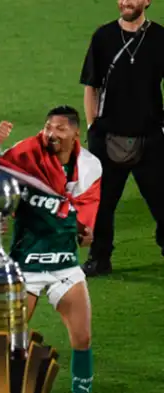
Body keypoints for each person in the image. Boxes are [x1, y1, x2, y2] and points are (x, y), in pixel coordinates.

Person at [0, 108, 102, 393]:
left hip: (63, 267)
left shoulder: (89, 167)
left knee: (83, 339)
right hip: (25, 266)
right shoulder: (25, 152)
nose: (51, 133)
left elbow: (85, 220)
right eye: (48, 127)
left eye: (59, 128)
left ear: (75, 134)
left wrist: (86, 233)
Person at [79, 0, 164, 276]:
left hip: (150, 137)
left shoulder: (160, 38)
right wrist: (93, 128)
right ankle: (99, 258)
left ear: (147, 1)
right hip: (107, 136)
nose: (126, 2)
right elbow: (91, 85)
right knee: (102, 204)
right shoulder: (103, 37)